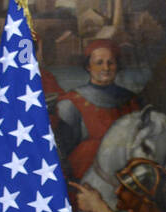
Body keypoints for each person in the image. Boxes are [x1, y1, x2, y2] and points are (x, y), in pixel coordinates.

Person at [54, 38, 141, 178]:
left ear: (117, 66)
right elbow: (63, 153)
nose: (106, 68)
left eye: (111, 63)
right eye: (99, 63)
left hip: (128, 177)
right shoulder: (71, 102)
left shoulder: (131, 100)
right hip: (84, 178)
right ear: (88, 67)